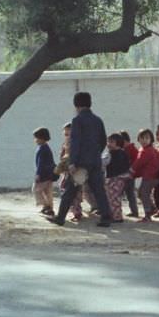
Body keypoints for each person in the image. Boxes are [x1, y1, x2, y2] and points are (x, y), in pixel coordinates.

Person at [48, 92, 112, 227]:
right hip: (95, 160)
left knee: (70, 190)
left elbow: (75, 142)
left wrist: (73, 162)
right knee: (99, 190)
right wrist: (95, 153)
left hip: (81, 163)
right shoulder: (98, 120)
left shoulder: (77, 120)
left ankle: (60, 217)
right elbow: (102, 140)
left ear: (76, 105)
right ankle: (106, 217)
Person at [130, 128, 159, 222]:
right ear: (138, 139)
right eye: (142, 138)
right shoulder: (149, 150)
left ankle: (148, 214)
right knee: (141, 193)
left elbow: (139, 163)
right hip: (151, 176)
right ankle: (152, 208)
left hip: (150, 176)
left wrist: (131, 170)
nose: (144, 140)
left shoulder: (147, 151)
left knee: (144, 194)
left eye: (147, 138)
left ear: (151, 139)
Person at [103, 133, 130, 223]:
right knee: (113, 197)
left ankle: (117, 217)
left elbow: (104, 162)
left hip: (115, 178)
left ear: (118, 143)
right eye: (108, 142)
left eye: (111, 142)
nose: (108, 144)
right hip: (119, 178)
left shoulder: (112, 154)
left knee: (113, 197)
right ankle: (115, 215)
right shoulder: (123, 153)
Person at [32, 127, 56, 216]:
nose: (35, 140)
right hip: (50, 174)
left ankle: (46, 206)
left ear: (42, 138)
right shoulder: (46, 148)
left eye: (36, 138)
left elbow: (40, 163)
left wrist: (38, 174)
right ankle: (49, 208)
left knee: (36, 190)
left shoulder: (42, 149)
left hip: (43, 175)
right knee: (48, 191)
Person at [120, 131, 139, 217]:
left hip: (129, 175)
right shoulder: (129, 149)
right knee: (129, 194)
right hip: (128, 174)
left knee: (128, 194)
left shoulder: (130, 149)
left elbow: (135, 162)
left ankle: (134, 211)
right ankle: (134, 211)